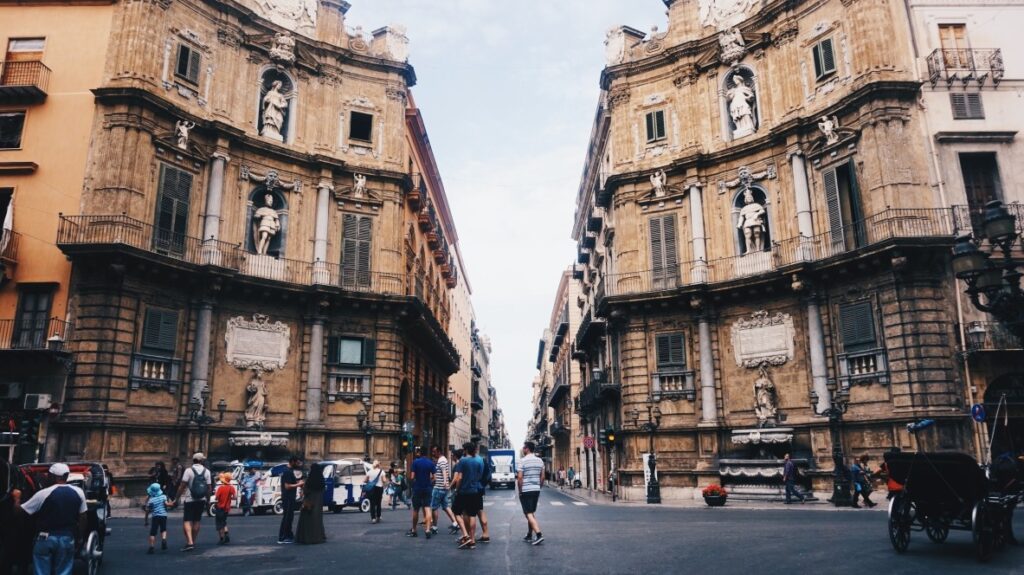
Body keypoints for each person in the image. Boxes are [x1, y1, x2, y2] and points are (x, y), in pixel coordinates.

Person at [17, 463, 87, 575]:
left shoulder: (43, 494)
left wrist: (16, 499)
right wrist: (79, 536)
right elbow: (83, 516)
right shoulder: (79, 492)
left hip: (45, 538)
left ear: (53, 477)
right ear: (66, 476)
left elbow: (22, 511)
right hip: (67, 538)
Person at [451, 442, 485, 550]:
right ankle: (472, 540)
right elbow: (480, 475)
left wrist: (457, 489)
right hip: (474, 491)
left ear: (466, 450)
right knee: (472, 515)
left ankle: (466, 535)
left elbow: (459, 477)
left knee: (457, 512)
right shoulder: (478, 461)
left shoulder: (463, 461)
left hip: (463, 491)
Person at [175, 452, 211, 552]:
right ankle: (193, 542)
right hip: (201, 499)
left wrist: (176, 498)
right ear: (201, 460)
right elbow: (209, 488)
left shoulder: (188, 470)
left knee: (187, 520)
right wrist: (208, 500)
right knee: (197, 520)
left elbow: (182, 485)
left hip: (190, 499)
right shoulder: (207, 471)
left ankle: (189, 542)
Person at [518, 441, 545, 545]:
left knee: (528, 513)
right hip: (536, 490)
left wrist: (520, 490)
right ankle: (529, 534)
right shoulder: (540, 461)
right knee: (531, 512)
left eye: (524, 448)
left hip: (526, 490)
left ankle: (539, 534)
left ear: (527, 449)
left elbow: (520, 478)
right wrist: (539, 487)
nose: (523, 449)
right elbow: (542, 477)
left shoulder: (522, 461)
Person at [408, 447, 436, 538]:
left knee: (416, 509)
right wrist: (430, 483)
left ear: (420, 453)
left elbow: (412, 477)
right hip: (427, 488)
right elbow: (434, 477)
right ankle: (427, 529)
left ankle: (414, 530)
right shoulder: (431, 463)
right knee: (427, 508)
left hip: (417, 488)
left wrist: (414, 484)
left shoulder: (415, 462)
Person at [430, 445, 458, 535]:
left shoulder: (441, 460)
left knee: (434, 508)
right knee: (446, 506)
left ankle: (434, 527)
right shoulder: (444, 459)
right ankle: (455, 523)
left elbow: (444, 472)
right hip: (443, 488)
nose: (433, 453)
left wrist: (445, 482)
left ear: (439, 452)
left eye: (434, 452)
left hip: (439, 487)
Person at [296, 463, 326, 544]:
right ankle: (318, 537)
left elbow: (305, 492)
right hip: (318, 504)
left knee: (307, 521)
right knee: (317, 521)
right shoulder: (322, 481)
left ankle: (307, 538)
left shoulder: (309, 481)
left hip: (309, 503)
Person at [278, 456, 305, 544]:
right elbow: (287, 486)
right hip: (288, 497)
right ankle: (282, 537)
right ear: (293, 462)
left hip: (289, 497)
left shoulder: (289, 471)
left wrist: (297, 483)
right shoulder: (287, 472)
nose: (298, 464)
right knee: (287, 517)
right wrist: (299, 484)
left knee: (290, 517)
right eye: (297, 463)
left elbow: (290, 483)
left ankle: (288, 535)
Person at [145, 482, 174, 554]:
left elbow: (148, 510)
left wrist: (146, 520)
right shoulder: (163, 497)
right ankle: (163, 539)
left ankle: (151, 546)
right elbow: (167, 504)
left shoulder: (151, 500)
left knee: (153, 532)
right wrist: (172, 504)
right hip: (163, 515)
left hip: (155, 516)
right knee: (163, 529)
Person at [145, 461, 169, 526]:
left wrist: (165, 485)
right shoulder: (154, 470)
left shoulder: (164, 471)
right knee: (150, 496)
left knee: (161, 497)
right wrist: (153, 475)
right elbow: (149, 475)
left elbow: (166, 479)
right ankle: (147, 505)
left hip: (161, 486)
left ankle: (160, 506)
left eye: (159, 465)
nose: (158, 466)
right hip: (154, 485)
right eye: (157, 465)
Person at [213, 472, 235, 545]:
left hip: (220, 507)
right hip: (227, 508)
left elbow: (216, 498)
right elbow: (234, 497)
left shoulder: (220, 488)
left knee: (219, 524)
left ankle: (221, 538)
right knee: (224, 521)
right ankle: (226, 534)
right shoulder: (231, 487)